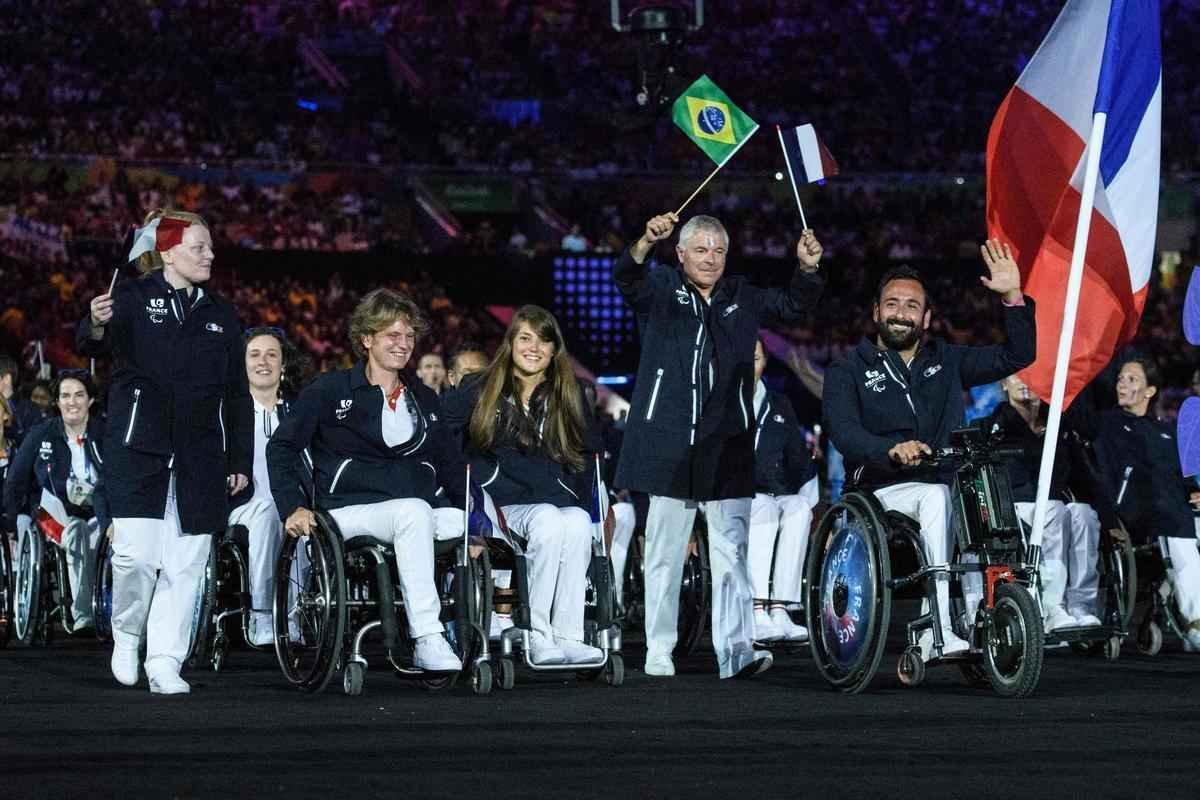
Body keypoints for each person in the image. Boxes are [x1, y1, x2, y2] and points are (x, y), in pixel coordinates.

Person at [613, 211, 824, 679]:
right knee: (665, 553)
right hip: (669, 445)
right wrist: (645, 240)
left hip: (726, 444)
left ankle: (735, 653)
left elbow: (792, 306)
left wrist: (807, 269)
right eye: (701, 249)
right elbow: (625, 278)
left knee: (732, 554)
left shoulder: (742, 296)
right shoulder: (661, 289)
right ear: (681, 253)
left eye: (719, 250)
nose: (711, 258)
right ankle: (659, 650)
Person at [822, 240, 1035, 661]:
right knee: (939, 496)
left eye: (911, 306)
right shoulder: (848, 370)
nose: (901, 313)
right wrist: (889, 449)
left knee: (977, 498)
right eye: (892, 304)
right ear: (876, 312)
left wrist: (1013, 298)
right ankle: (939, 625)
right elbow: (843, 431)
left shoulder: (948, 360)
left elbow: (1019, 354)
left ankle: (983, 614)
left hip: (943, 481)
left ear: (926, 317)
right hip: (878, 490)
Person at [77, 209, 251, 694]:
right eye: (199, 247)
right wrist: (94, 322)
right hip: (138, 445)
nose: (209, 255)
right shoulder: (130, 297)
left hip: (201, 454)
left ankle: (165, 660)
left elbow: (237, 393)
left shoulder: (221, 312)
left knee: (186, 562)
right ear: (169, 251)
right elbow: (90, 346)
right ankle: (127, 634)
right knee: (135, 557)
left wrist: (239, 459)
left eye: (211, 247)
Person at [266, 288, 465, 673]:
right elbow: (282, 448)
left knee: (465, 521)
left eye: (409, 336)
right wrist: (292, 505)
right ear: (367, 339)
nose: (403, 344)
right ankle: (427, 635)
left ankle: (499, 630)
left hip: (412, 510)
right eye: (392, 335)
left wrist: (475, 520)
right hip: (347, 511)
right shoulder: (330, 389)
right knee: (414, 513)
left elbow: (451, 465)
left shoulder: (422, 397)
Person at [443, 305, 603, 665]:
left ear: (554, 349)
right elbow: (441, 437)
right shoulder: (479, 387)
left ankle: (569, 634)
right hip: (496, 502)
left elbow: (591, 452)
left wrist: (587, 501)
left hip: (549, 501)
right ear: (510, 343)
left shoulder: (569, 392)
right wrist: (463, 508)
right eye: (525, 338)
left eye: (544, 340)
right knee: (548, 518)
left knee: (577, 521)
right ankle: (536, 630)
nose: (534, 348)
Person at [1093, 357, 1200, 650]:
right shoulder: (1107, 424)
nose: (1122, 384)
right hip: (1136, 512)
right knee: (1179, 529)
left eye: (1132, 379)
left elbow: (1184, 476)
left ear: (1150, 391)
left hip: (1174, 509)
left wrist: (1194, 491)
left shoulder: (1166, 432)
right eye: (1121, 378)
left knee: (1186, 522)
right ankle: (1195, 622)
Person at [985, 374, 1101, 630]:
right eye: (1017, 375)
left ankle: (1082, 605)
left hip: (1054, 505)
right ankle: (1052, 606)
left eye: (1033, 374)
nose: (1026, 381)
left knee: (1084, 514)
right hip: (1015, 507)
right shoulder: (994, 426)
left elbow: (1083, 473)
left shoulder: (1059, 426)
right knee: (1054, 510)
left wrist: (1111, 518)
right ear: (1004, 383)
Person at [3, 370, 109, 633]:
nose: (71, 402)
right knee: (76, 531)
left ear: (91, 400)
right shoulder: (41, 434)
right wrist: (9, 522)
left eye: (79, 395)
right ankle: (83, 613)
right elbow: (16, 480)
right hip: (53, 511)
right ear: (57, 402)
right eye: (65, 396)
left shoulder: (105, 434)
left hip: (98, 510)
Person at [225, 327, 298, 645]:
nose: (263, 362)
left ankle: (295, 616)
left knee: (302, 520)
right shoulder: (226, 414)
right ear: (242, 364)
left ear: (284, 365)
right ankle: (262, 616)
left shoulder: (297, 412)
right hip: (242, 506)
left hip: (292, 503)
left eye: (272, 355)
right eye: (254, 355)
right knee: (269, 512)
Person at [748, 339, 816, 643]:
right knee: (763, 506)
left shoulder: (778, 404)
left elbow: (799, 459)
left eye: (758, 358)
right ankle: (755, 608)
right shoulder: (720, 402)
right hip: (734, 494)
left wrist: (816, 506)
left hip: (775, 491)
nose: (752, 364)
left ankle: (780, 607)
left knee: (798, 507)